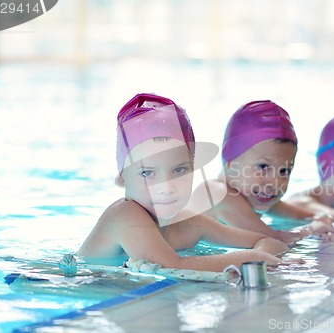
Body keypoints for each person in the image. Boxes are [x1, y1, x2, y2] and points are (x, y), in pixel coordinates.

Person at [77, 93, 301, 271]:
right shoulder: (124, 215)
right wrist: (253, 258)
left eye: (178, 171)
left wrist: (261, 254)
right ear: (122, 178)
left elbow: (269, 241)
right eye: (147, 173)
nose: (165, 187)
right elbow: (173, 266)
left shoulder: (189, 222)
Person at [188, 100, 334, 245]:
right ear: (230, 162)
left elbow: (302, 216)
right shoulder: (216, 194)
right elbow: (268, 238)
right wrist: (310, 231)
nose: (275, 183)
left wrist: (321, 218)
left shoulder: (254, 195)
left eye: (284, 171)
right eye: (263, 167)